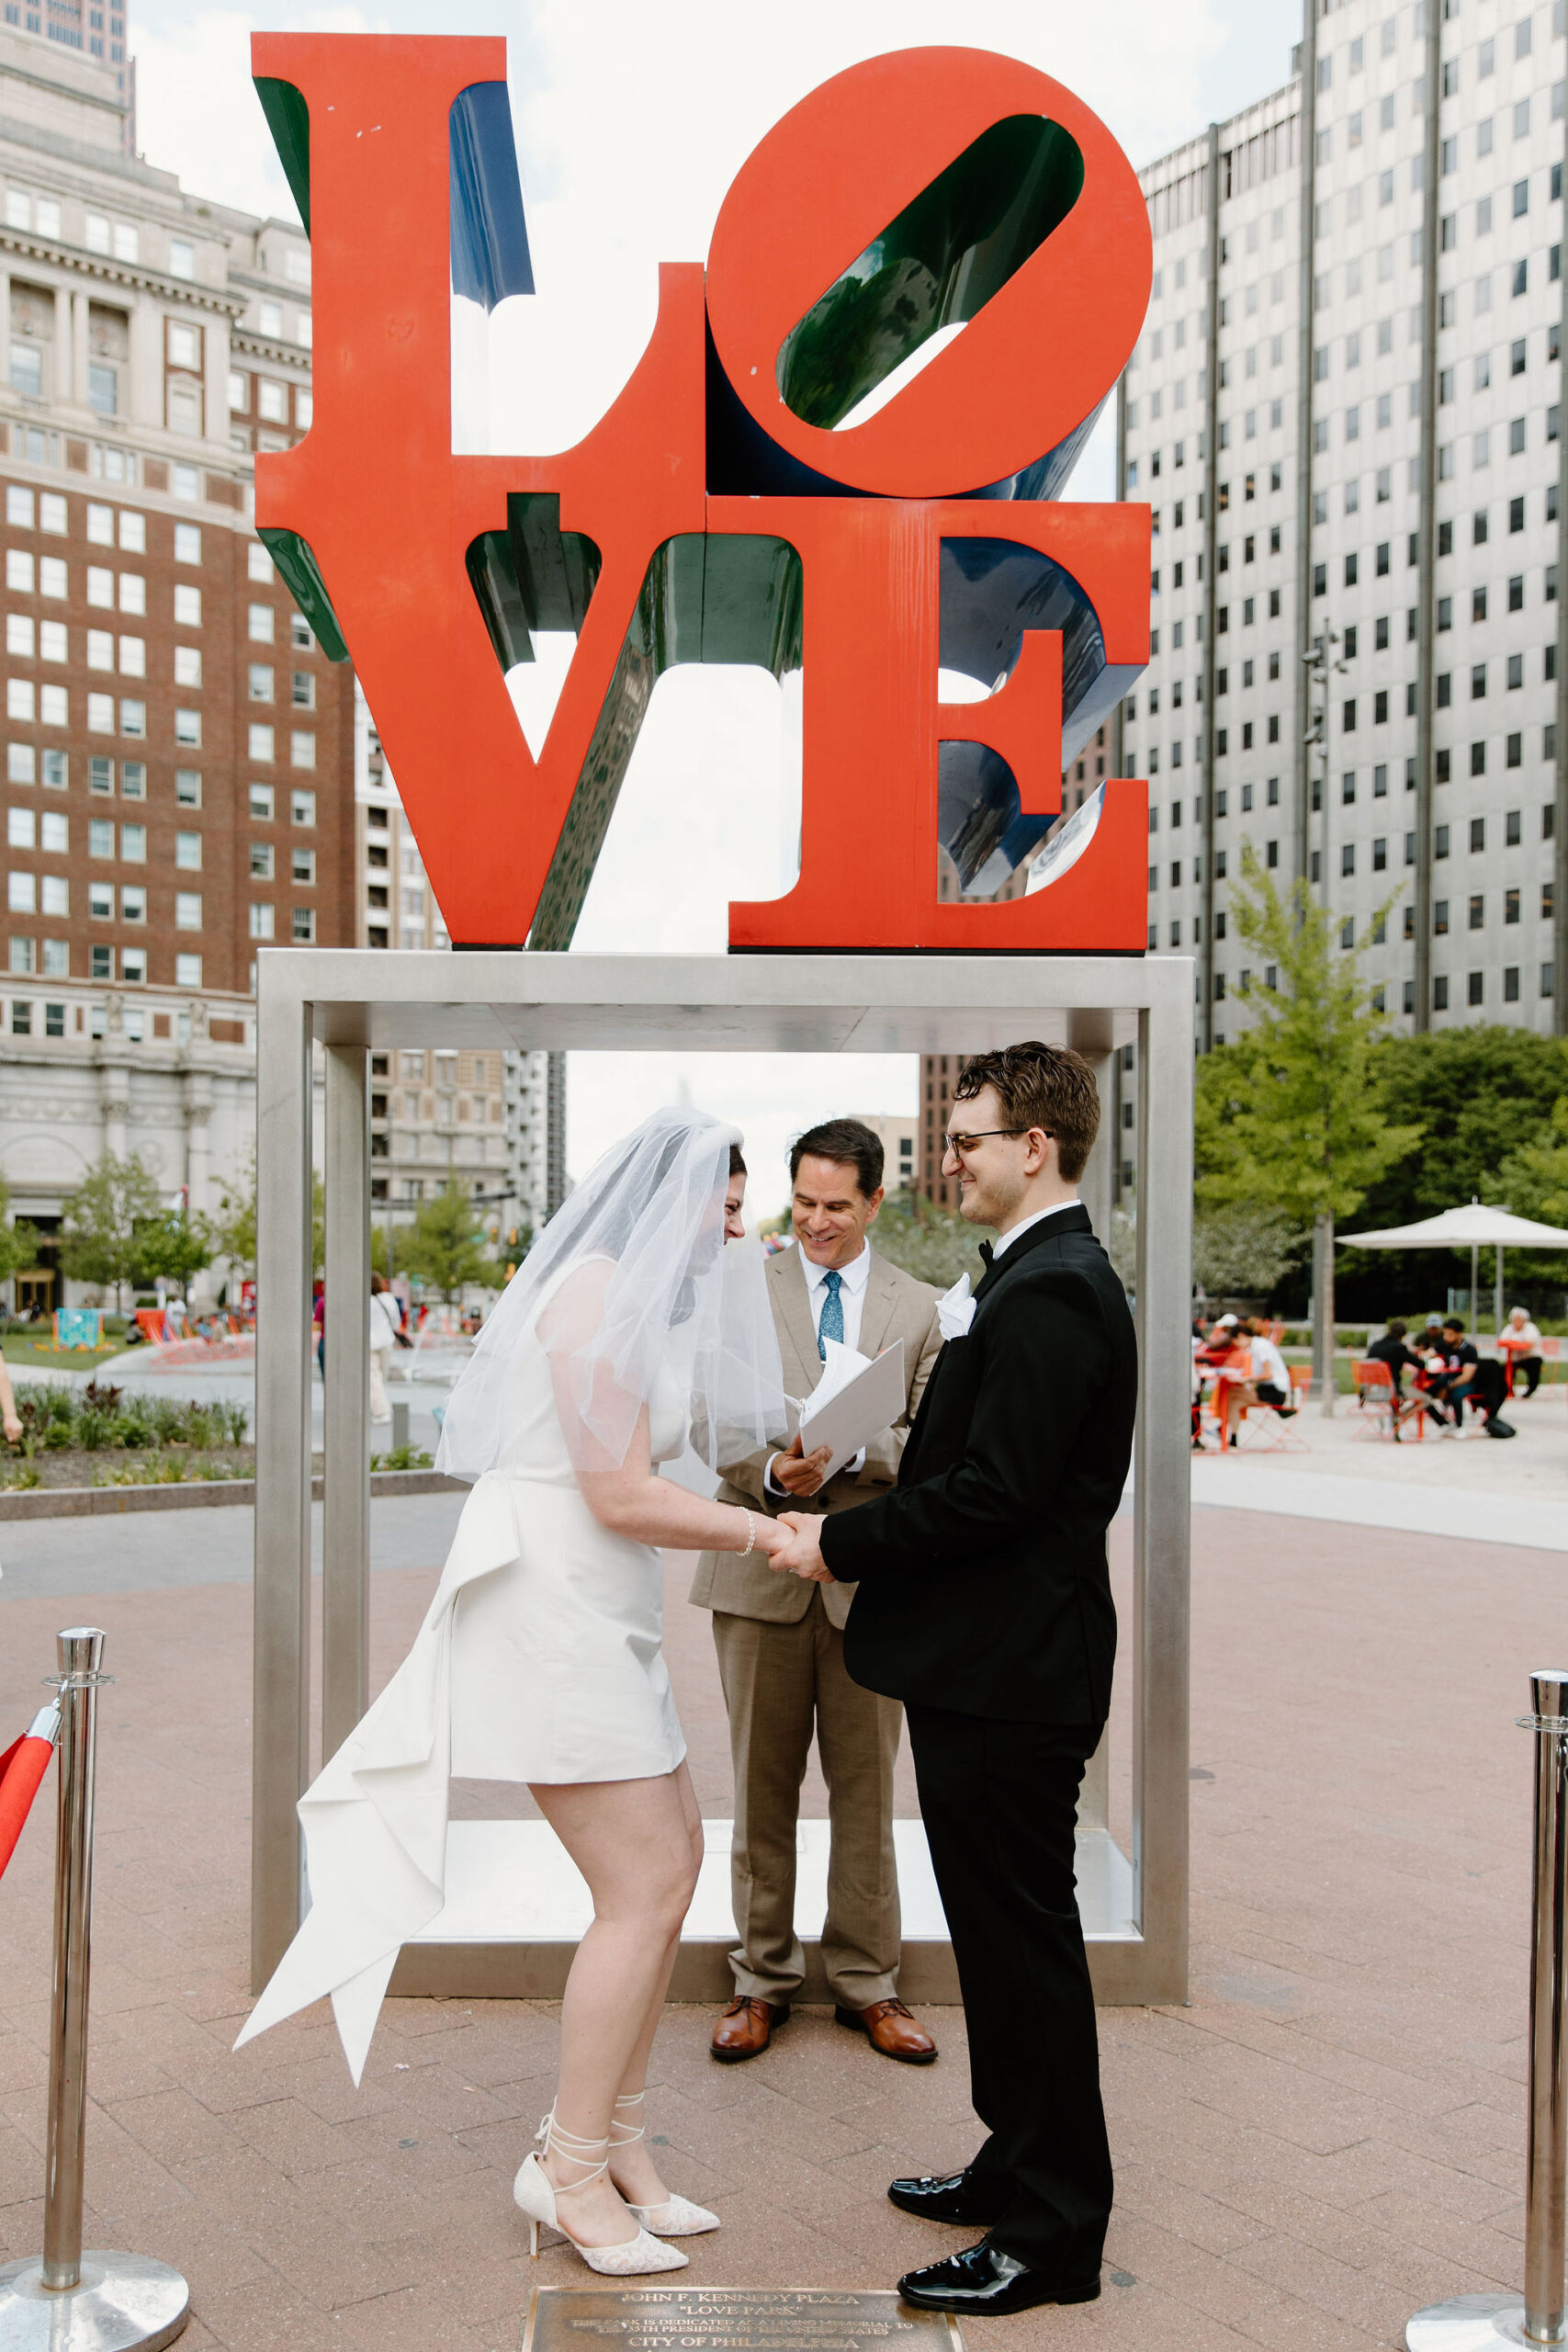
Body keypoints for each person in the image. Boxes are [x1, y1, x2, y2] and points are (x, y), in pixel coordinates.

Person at [236, 1108, 791, 2278]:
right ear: (668, 1199)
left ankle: (621, 2142)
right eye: (726, 1205)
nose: (737, 1229)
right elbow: (619, 1492)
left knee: (675, 1862)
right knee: (640, 1887)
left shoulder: (625, 1297)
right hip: (555, 1607)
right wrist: (767, 1533)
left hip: (602, 1606)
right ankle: (569, 2168)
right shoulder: (594, 1293)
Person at [771, 1041, 1136, 2320]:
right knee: (993, 1939)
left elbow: (997, 1494)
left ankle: (1049, 2236)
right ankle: (1011, 2160)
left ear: (1031, 1147)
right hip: (991, 1662)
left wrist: (840, 1537)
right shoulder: (1033, 1277)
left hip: (1011, 1673)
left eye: (969, 1136)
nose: (951, 1157)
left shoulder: (1052, 1292)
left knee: (1023, 1950)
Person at [690, 1118, 942, 2065]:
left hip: (872, 1578)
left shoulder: (919, 1308)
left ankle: (869, 1982)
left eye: (837, 1205)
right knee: (760, 1789)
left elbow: (930, 1440)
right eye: (803, 1202)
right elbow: (709, 1419)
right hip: (761, 1568)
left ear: (876, 1200)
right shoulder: (740, 1287)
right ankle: (760, 1979)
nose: (817, 1222)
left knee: (869, 1792)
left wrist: (852, 1451)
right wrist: (772, 1475)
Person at [1435, 1316, 1514, 1437]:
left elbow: (1467, 1376)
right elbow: (1429, 1353)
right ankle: (1443, 1423)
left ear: (1459, 1334)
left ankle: (1459, 1425)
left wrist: (1448, 1386)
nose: (1446, 1337)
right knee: (1427, 1392)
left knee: (1456, 1394)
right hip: (1446, 1379)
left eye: (1450, 1334)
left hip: (1467, 1382)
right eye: (1445, 1334)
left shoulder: (1469, 1350)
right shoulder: (1443, 1344)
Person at [368, 1272, 400, 1426]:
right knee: (381, 1376)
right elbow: (396, 1321)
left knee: (374, 1377)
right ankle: (380, 1408)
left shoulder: (364, 1300)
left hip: (370, 1343)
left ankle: (381, 1410)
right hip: (386, 1341)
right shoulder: (388, 1299)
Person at [1499, 1306, 1545, 1398]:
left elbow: (1530, 1342)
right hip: (1514, 1358)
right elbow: (1502, 1340)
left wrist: (1515, 1343)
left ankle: (1531, 1389)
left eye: (1519, 1319)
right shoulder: (1509, 1328)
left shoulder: (1530, 1328)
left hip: (1530, 1357)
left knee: (1535, 1365)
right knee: (1504, 1369)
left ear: (1524, 1320)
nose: (1516, 1321)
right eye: (1514, 1319)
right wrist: (1515, 1343)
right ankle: (1508, 1390)